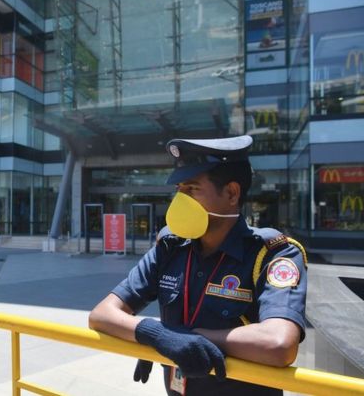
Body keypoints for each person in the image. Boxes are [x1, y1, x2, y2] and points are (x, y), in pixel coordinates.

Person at [89, 135, 307, 395]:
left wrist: (187, 337)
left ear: (231, 193)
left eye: (192, 189)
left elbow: (279, 343)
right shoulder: (170, 247)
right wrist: (155, 335)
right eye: (179, 189)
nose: (180, 200)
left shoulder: (273, 254)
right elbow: (101, 315)